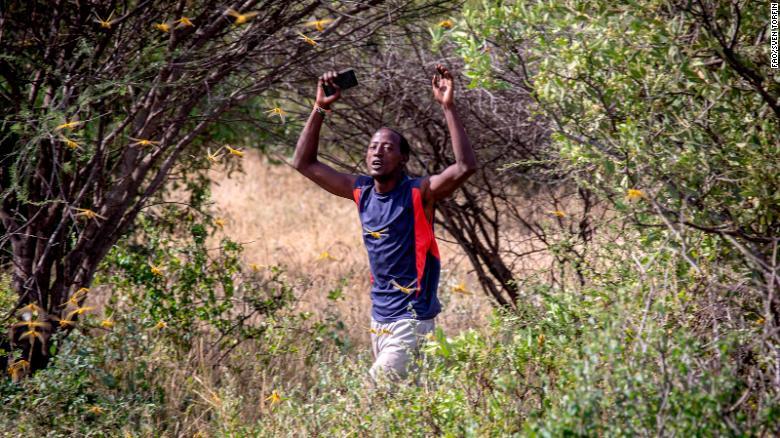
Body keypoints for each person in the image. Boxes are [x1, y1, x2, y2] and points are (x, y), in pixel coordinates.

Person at [292, 64, 477, 385]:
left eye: (388, 148)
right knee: (405, 405)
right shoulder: (361, 191)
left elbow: (464, 167)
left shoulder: (419, 193)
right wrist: (320, 107)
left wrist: (448, 107)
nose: (378, 152)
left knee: (370, 395)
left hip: (411, 320)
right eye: (373, 147)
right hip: (378, 321)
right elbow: (303, 163)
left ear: (403, 159)